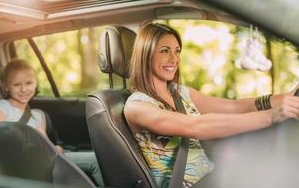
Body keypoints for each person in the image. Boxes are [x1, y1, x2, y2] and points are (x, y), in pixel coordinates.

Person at [123, 23, 299, 188]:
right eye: (164, 51)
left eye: (177, 51)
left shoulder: (179, 92)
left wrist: (288, 97)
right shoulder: (137, 106)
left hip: (211, 177)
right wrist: (270, 116)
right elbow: (195, 126)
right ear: (146, 54)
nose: (174, 58)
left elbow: (233, 107)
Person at [0, 59, 103, 187]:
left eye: (29, 83)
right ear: (6, 86)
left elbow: (45, 143)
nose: (24, 89)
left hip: (44, 160)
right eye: (16, 84)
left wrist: (56, 148)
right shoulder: (2, 108)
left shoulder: (38, 115)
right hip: (19, 165)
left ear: (36, 83)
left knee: (97, 160)